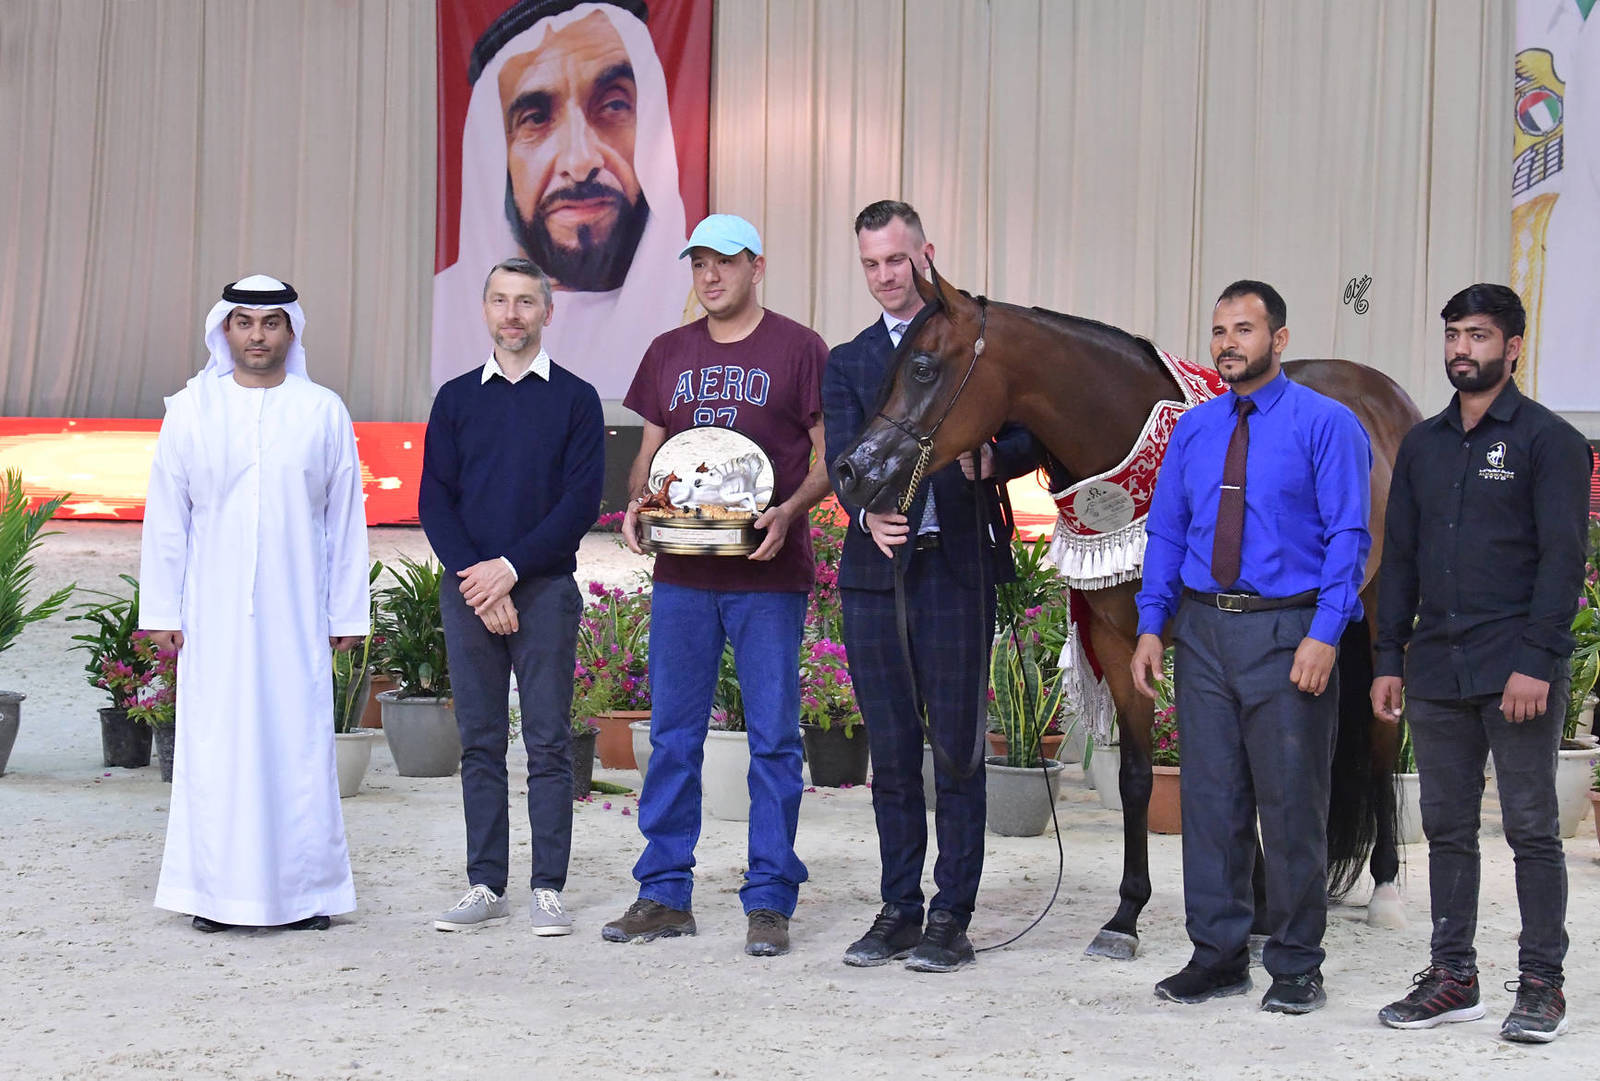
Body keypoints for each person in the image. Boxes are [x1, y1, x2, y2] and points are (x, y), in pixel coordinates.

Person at [1130, 280, 1372, 1014]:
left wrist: (1326, 634)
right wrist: (1151, 623)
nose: (1228, 342)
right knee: (1211, 801)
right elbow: (1168, 531)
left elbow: (1349, 539)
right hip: (1203, 631)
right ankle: (1218, 953)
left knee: (1292, 804)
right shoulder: (1195, 431)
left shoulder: (1326, 424)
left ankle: (1297, 963)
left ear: (1280, 339)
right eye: (1218, 331)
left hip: (1287, 631)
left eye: (1243, 328)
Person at [604, 213, 832, 958]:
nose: (710, 275)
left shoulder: (800, 348)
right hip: (682, 577)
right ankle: (664, 890)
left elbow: (830, 456)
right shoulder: (669, 351)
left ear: (756, 266)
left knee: (773, 739)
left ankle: (769, 898)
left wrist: (791, 511)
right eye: (699, 262)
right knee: (672, 736)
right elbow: (650, 457)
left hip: (766, 575)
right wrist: (640, 501)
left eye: (725, 262)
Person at [1371, 283, 1592, 1042]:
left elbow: (1564, 562)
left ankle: (1541, 983)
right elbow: (1398, 558)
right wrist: (1386, 656)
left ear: (1514, 346)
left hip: (1517, 669)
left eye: (1479, 335)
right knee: (1446, 825)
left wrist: (1538, 659)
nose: (1462, 348)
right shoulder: (1424, 444)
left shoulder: (1551, 442)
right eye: (1454, 334)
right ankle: (1452, 975)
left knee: (1531, 828)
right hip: (1435, 666)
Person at [822, 200, 1038, 973]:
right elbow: (845, 453)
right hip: (876, 578)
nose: (885, 276)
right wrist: (864, 511)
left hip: (957, 573)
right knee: (890, 748)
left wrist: (993, 460)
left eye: (896, 260)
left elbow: (1025, 432)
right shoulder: (847, 359)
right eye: (871, 264)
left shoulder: (974, 346)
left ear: (926, 255)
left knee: (957, 749)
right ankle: (899, 908)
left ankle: (952, 914)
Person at [139, 275, 371, 933]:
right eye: (244, 322)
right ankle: (213, 894)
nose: (257, 336)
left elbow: (344, 521)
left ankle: (303, 894)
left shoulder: (323, 409)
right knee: (218, 748)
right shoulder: (191, 410)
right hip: (211, 615)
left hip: (297, 612)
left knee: (295, 747)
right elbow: (167, 517)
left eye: (270, 323)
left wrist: (345, 612)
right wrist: (161, 609)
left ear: (290, 331)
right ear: (224, 330)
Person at [420, 257, 605, 935]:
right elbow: (433, 499)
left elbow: (579, 502)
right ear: (485, 308)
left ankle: (547, 885)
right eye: (500, 300)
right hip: (470, 590)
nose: (512, 315)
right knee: (480, 740)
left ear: (547, 312)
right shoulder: (457, 398)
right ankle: (484, 881)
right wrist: (480, 575)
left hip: (546, 589)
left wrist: (509, 568)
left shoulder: (577, 400)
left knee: (551, 740)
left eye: (526, 302)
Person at [431, 0, 691, 401]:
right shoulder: (442, 309)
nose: (580, 161)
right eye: (535, 118)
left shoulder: (700, 305)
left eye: (614, 105)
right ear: (497, 160)